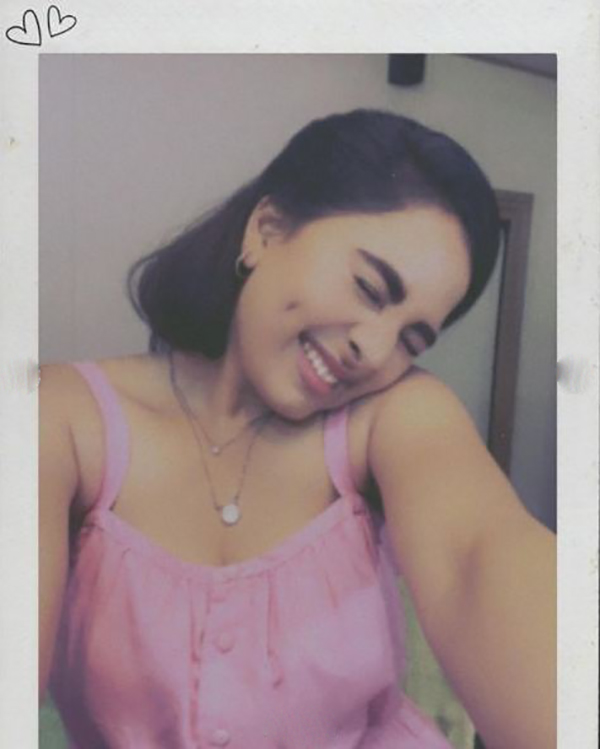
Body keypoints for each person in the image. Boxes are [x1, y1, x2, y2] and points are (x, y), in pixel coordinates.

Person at [39, 109, 556, 748]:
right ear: (266, 231)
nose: (374, 350)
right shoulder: (61, 417)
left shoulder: (393, 415)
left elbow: (477, 554)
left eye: (412, 338)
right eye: (370, 288)